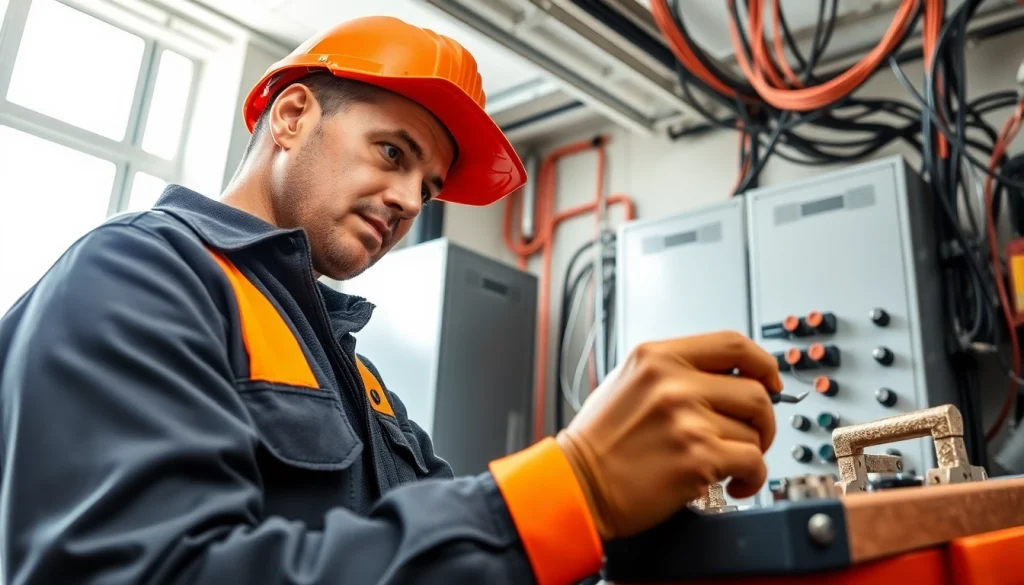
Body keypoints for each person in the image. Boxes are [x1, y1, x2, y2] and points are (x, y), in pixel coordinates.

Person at [0, 15, 781, 585]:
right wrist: (573, 482)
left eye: (429, 185)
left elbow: (450, 548)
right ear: (293, 115)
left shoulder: (357, 376)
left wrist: (628, 531)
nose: (409, 199)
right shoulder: (141, 275)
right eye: (392, 152)